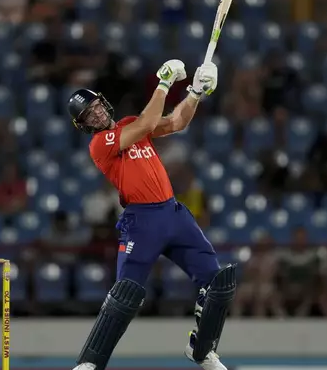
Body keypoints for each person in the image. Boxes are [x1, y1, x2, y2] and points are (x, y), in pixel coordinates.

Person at [67, 60, 235, 370]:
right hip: (142, 221)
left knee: (216, 281)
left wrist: (196, 93)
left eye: (97, 106)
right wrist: (164, 82)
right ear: (85, 124)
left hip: (173, 212)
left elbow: (175, 123)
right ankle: (89, 363)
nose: (98, 113)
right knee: (125, 294)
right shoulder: (99, 145)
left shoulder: (131, 123)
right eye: (89, 114)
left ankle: (202, 350)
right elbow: (146, 125)